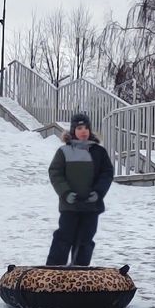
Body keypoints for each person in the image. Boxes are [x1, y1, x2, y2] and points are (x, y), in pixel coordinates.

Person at [46, 112, 114, 266]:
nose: (83, 131)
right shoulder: (64, 151)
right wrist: (65, 192)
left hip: (91, 206)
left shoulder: (99, 152)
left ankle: (80, 272)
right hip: (70, 205)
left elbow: (107, 173)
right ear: (73, 131)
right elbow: (55, 173)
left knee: (85, 240)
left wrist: (98, 192)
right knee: (64, 237)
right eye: (79, 128)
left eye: (86, 128)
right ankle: (53, 271)